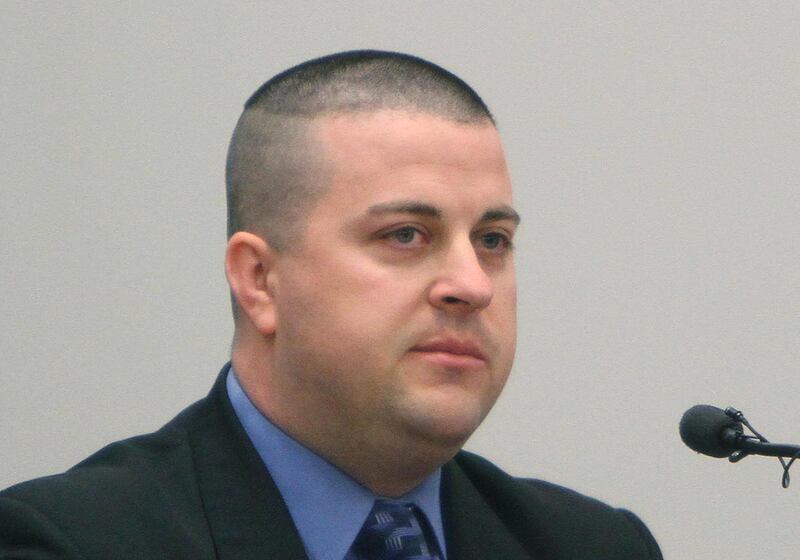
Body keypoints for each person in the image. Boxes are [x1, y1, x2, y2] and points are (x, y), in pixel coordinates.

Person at [0, 51, 662, 560]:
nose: (472, 284)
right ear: (259, 280)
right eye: (406, 235)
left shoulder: (592, 546)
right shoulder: (73, 543)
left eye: (493, 240)